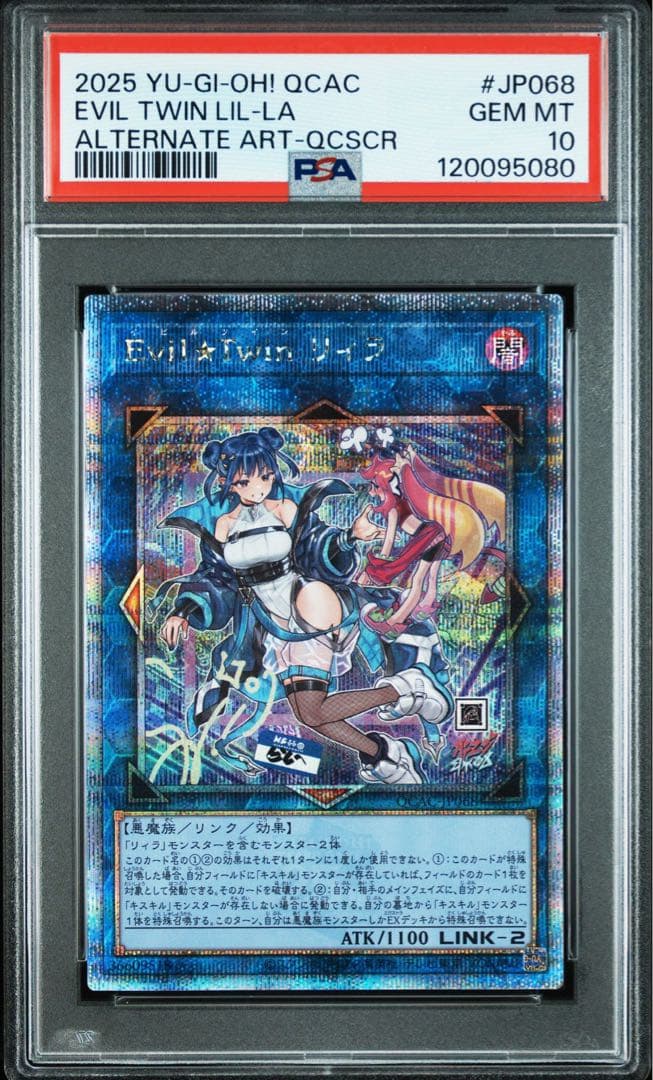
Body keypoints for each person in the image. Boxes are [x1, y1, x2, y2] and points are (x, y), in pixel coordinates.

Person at [155, 427, 453, 785]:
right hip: (269, 624)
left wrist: (349, 537)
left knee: (311, 710)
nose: (257, 488)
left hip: (307, 602)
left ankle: (407, 692)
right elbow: (215, 578)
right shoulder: (221, 525)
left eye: (265, 477)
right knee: (309, 714)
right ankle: (384, 752)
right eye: (245, 481)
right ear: (227, 481)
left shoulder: (286, 509)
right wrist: (183, 612)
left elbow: (316, 545)